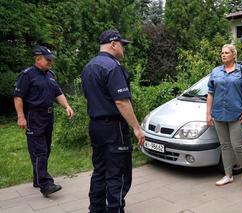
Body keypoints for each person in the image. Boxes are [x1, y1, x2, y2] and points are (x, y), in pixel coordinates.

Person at [81, 30, 145, 213]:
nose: (123, 49)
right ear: (113, 44)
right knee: (118, 173)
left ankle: (96, 209)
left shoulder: (89, 67)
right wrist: (137, 128)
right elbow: (121, 101)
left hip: (95, 126)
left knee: (99, 170)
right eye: (122, 45)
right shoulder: (112, 67)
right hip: (114, 128)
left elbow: (89, 98)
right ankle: (115, 209)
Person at [13, 46, 74, 197]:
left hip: (48, 117)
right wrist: (21, 116)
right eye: (48, 59)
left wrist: (67, 106)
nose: (51, 61)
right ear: (38, 58)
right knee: (39, 151)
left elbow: (58, 93)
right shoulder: (27, 75)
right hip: (34, 117)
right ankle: (46, 185)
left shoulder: (50, 75)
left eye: (51, 59)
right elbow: (18, 97)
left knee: (45, 149)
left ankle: (37, 179)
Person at [207, 44, 242, 187]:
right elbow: (210, 93)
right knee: (225, 146)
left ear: (234, 55)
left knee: (237, 145)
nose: (223, 55)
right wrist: (208, 113)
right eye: (222, 53)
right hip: (219, 114)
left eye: (226, 53)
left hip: (237, 114)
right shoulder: (216, 72)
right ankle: (228, 175)